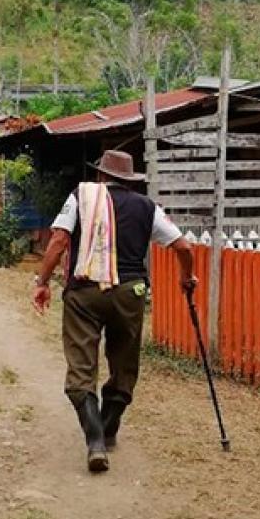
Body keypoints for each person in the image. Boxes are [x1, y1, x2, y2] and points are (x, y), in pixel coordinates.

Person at [30, 149, 195, 474]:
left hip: (84, 293)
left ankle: (95, 441)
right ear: (129, 180)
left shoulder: (81, 195)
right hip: (129, 293)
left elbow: (59, 240)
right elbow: (183, 247)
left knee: (81, 369)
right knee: (124, 364)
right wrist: (186, 276)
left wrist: (42, 281)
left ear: (101, 176)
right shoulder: (147, 207)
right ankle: (109, 427)